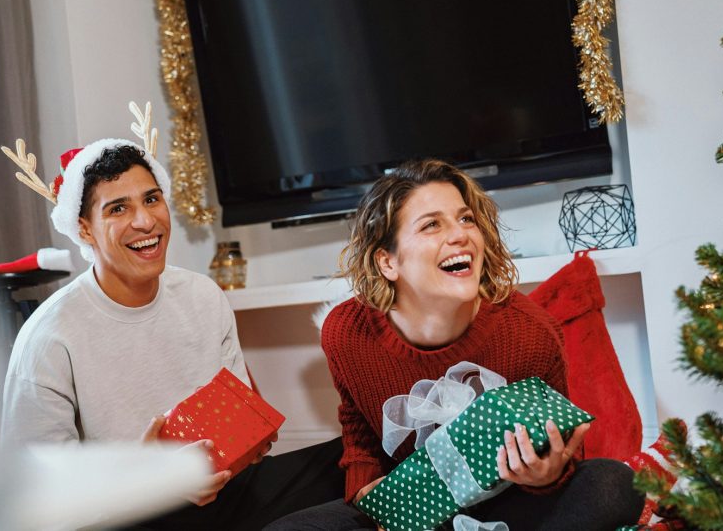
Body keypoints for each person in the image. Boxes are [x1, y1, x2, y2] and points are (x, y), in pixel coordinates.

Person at [0, 110, 343, 530]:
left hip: (222, 493)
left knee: (345, 460)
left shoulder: (202, 295)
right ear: (84, 230)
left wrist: (247, 441)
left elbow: (236, 416)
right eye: (117, 209)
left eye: (151, 199)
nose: (145, 221)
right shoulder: (49, 337)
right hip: (129, 514)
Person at [265, 159, 644, 530]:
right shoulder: (346, 332)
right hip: (414, 508)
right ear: (387, 262)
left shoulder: (531, 332)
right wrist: (367, 490)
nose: (460, 234)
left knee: (614, 485)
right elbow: (358, 427)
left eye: (466, 219)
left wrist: (547, 476)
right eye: (432, 225)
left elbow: (562, 448)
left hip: (513, 502)